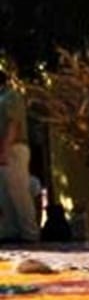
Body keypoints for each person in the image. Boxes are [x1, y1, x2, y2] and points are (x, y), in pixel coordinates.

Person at [0, 84, 38, 242]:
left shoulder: (11, 96)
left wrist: (5, 149)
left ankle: (29, 233)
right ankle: (11, 232)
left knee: (19, 192)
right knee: (4, 194)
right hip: (3, 148)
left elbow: (13, 123)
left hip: (13, 147)